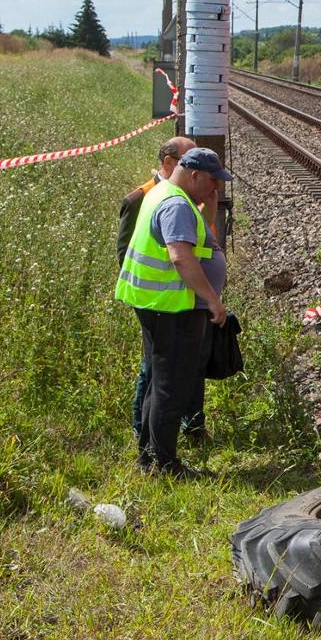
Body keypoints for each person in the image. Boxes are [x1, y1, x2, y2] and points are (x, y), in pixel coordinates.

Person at [115, 147, 231, 477]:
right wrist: (212, 299)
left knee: (158, 383)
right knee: (170, 388)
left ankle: (150, 456)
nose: (215, 189)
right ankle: (166, 465)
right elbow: (181, 257)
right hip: (171, 308)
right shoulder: (176, 204)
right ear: (194, 175)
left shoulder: (163, 191)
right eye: (212, 181)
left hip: (157, 305)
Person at [118, 137, 208, 448]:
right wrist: (210, 297)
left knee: (166, 378)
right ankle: (156, 453)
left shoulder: (173, 196)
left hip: (169, 302)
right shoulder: (153, 199)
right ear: (171, 164)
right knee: (159, 379)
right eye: (189, 160)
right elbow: (175, 256)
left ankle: (157, 447)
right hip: (162, 303)